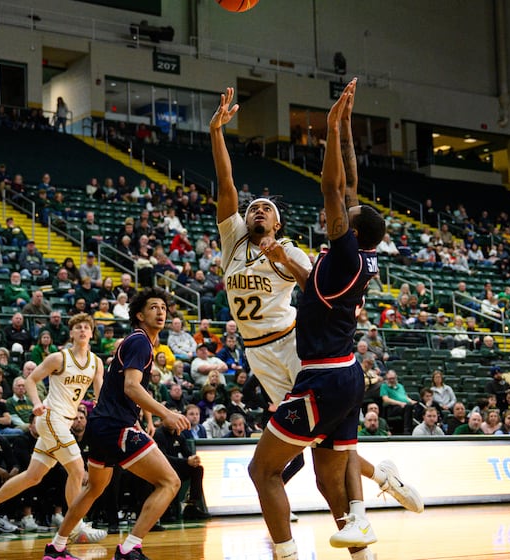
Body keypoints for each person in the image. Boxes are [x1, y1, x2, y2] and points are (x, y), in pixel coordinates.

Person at [212, 81, 421, 539]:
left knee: (313, 444)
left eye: (267, 208)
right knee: (314, 442)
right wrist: (216, 133)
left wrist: (284, 260)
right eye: (254, 208)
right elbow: (226, 184)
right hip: (257, 354)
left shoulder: (291, 249)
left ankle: (365, 495)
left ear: (279, 222)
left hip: (293, 347)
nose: (258, 211)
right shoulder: (231, 244)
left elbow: (317, 289)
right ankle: (380, 479)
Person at [246, 79, 389, 560]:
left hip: (322, 379)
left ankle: (285, 555)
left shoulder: (345, 254)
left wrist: (328, 127)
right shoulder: (362, 257)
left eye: (349, 214)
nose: (343, 208)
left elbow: (332, 186)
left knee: (262, 471)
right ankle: (362, 550)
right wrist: (346, 125)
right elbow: (349, 184)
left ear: (353, 228)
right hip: (348, 374)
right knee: (331, 476)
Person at [44, 289, 190, 560]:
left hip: (100, 426)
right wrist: (165, 414)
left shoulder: (139, 343)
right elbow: (132, 387)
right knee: (170, 482)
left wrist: (144, 416)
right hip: (115, 427)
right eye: (153, 308)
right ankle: (129, 548)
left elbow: (127, 392)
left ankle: (56, 548)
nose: (161, 312)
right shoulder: (140, 341)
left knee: (93, 488)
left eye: (163, 308)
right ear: (139, 315)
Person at [0, 313, 106, 540]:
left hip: (65, 422)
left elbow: (100, 394)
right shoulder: (59, 358)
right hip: (50, 418)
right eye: (78, 327)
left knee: (32, 477)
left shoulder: (96, 362)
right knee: (77, 468)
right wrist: (36, 403)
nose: (82, 330)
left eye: (86, 327)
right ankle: (76, 525)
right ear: (71, 333)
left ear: (92, 333)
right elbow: (30, 380)